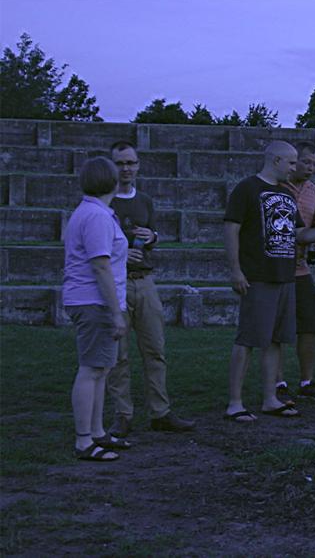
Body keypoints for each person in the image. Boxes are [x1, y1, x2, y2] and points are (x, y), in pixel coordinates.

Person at [223, 140, 315, 422]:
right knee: (247, 340)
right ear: (276, 160)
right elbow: (231, 229)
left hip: (286, 277)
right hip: (258, 276)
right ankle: (234, 403)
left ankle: (270, 398)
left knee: (276, 340)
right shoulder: (247, 188)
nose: (295, 168)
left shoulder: (286, 196)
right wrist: (236, 270)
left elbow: (300, 235)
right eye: (291, 163)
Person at [106, 141, 195, 436]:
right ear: (112, 166)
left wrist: (153, 236)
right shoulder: (103, 200)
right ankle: (123, 414)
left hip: (144, 282)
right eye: (120, 163)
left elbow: (153, 235)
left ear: (138, 165)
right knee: (118, 355)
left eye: (131, 163)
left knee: (155, 350)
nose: (126, 169)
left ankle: (160, 412)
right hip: (115, 284)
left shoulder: (144, 200)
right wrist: (119, 256)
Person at [63, 157, 130, 461]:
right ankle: (83, 441)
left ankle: (97, 432)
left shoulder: (95, 213)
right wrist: (116, 313)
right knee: (91, 370)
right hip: (94, 302)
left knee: (101, 370)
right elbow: (101, 266)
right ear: (112, 182)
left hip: (92, 300)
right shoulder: (97, 217)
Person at [274, 142, 315, 402]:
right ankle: (278, 383)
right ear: (293, 161)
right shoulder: (274, 186)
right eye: (306, 162)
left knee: (309, 325)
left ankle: (307, 381)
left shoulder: (313, 192)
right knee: (276, 328)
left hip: (301, 270)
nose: (311, 168)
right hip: (274, 269)